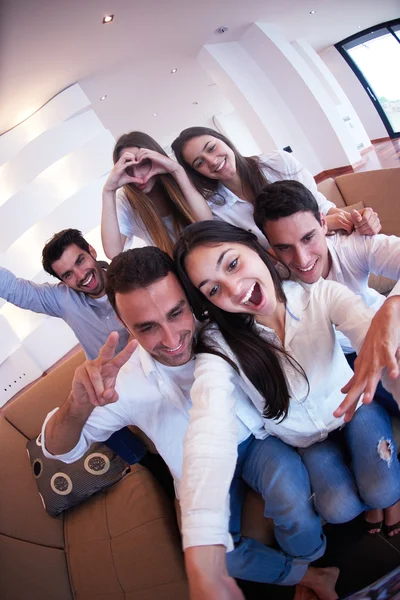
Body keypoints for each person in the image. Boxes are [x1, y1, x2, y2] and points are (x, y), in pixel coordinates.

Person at [40, 246, 340, 600]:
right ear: (124, 324)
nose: (171, 340)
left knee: (292, 494)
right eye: (147, 327)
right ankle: (310, 576)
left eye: (176, 313)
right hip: (194, 473)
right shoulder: (123, 381)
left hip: (255, 443)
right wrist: (77, 404)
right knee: (217, 557)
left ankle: (313, 558)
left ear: (186, 295)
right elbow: (58, 451)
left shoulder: (224, 326)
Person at [173, 220, 400, 590]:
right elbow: (208, 421)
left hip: (355, 412)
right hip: (307, 441)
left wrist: (392, 312)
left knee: (384, 490)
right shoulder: (219, 345)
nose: (234, 289)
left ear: (255, 247)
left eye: (232, 264)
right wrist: (203, 543)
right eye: (214, 289)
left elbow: (373, 340)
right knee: (339, 508)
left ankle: (382, 491)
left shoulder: (320, 295)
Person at [0, 228, 167, 485]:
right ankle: (148, 463)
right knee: (85, 407)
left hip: (155, 364)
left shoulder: (130, 274)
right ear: (62, 281)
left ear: (91, 251)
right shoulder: (63, 300)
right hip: (112, 383)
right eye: (68, 274)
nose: (81, 275)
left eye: (80, 261)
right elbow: (15, 290)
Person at [253, 179, 400, 420]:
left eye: (308, 238)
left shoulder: (351, 247)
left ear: (323, 223)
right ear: (271, 248)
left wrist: (392, 307)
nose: (301, 259)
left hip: (383, 326)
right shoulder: (270, 281)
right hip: (342, 360)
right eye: (284, 247)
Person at [171, 126, 381, 249]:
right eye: (199, 162)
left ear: (224, 141)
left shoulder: (277, 163)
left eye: (211, 148)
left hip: (334, 249)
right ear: (196, 173)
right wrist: (323, 224)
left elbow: (322, 207)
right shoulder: (215, 210)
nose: (211, 160)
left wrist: (360, 219)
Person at [101, 131, 212, 259]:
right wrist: (108, 191)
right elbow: (113, 253)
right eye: (129, 169)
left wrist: (177, 171)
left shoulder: (180, 175)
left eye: (143, 163)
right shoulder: (126, 199)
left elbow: (206, 223)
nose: (137, 175)